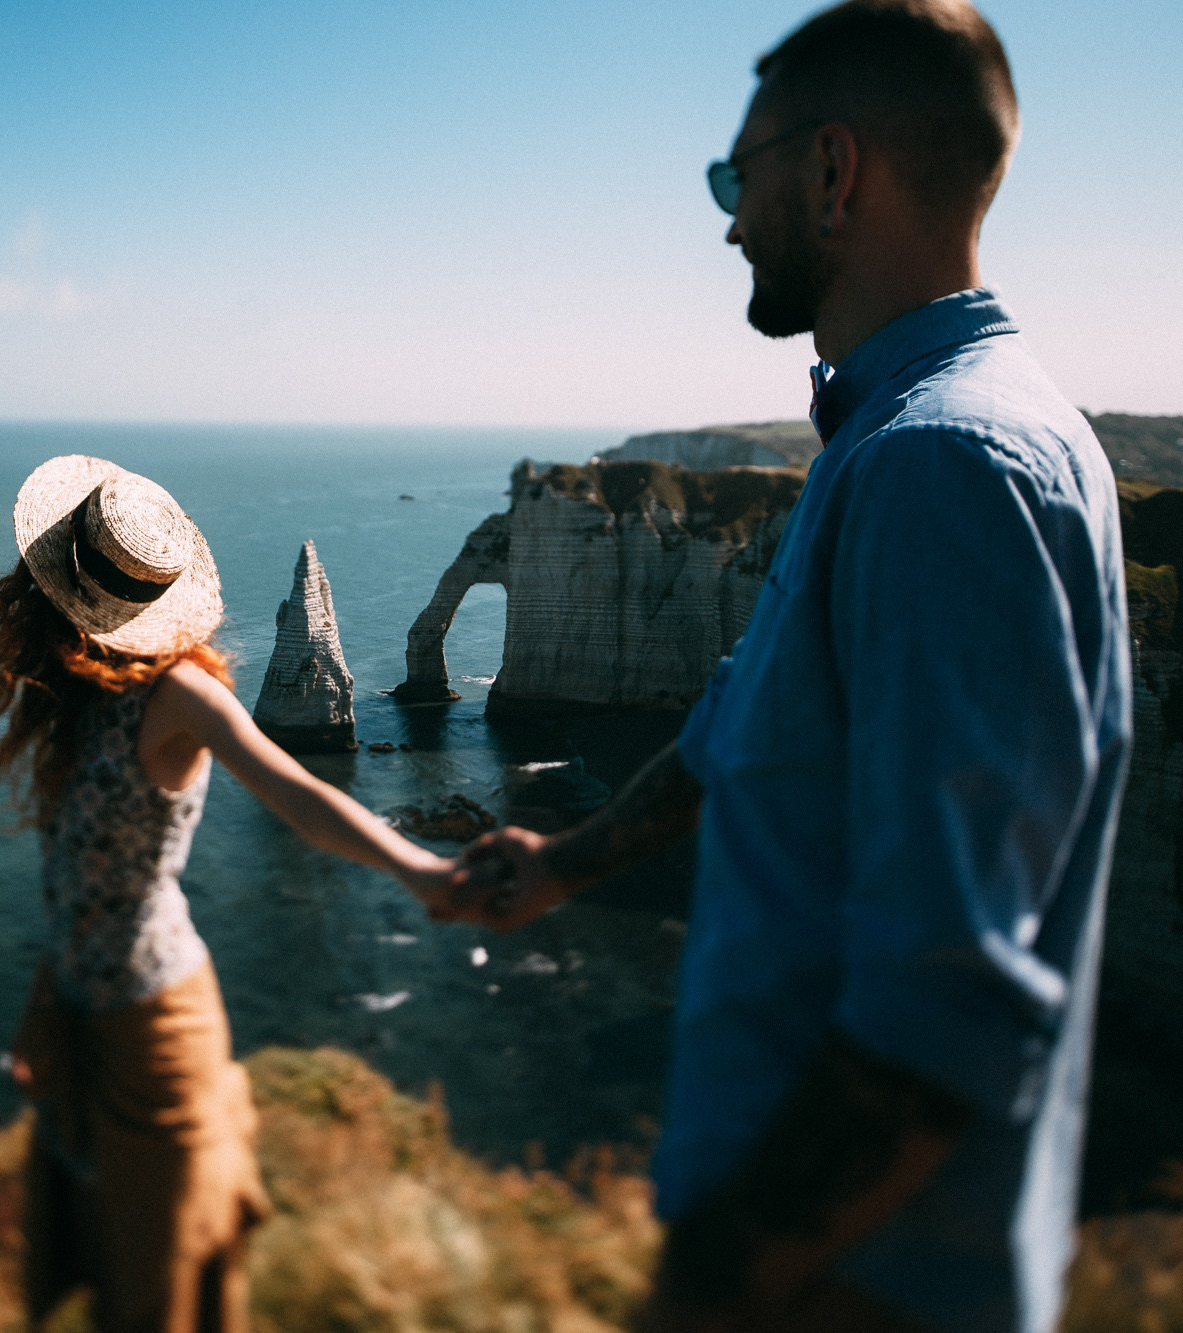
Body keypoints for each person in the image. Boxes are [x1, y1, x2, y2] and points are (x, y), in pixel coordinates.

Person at [428, 3, 1130, 1331]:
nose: (728, 218)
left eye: (731, 174)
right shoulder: (900, 442)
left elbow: (946, 1001)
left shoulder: (943, 467)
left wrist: (707, 1289)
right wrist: (566, 864)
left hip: (853, 1291)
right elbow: (749, 719)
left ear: (829, 169)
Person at [0, 454, 453, 1333]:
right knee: (90, 1275)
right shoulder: (78, 685)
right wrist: (42, 1008)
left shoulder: (181, 692)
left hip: (160, 1035)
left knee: (163, 1293)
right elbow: (76, 882)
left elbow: (302, 796)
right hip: (81, 1016)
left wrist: (420, 867)